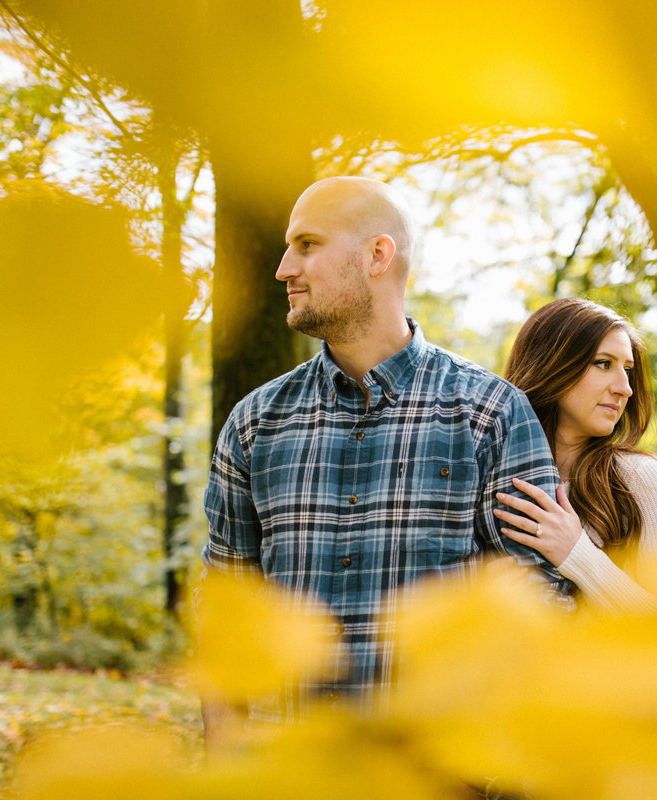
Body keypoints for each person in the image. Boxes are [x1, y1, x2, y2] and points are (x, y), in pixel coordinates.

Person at [199, 176, 570, 745]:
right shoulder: (254, 424)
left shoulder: (489, 414)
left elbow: (540, 607)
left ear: (378, 254)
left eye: (307, 245)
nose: (282, 269)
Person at [495, 297, 657, 668]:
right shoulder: (491, 478)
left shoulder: (641, 482)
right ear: (551, 363)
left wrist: (577, 555)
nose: (625, 387)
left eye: (627, 370)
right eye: (604, 364)